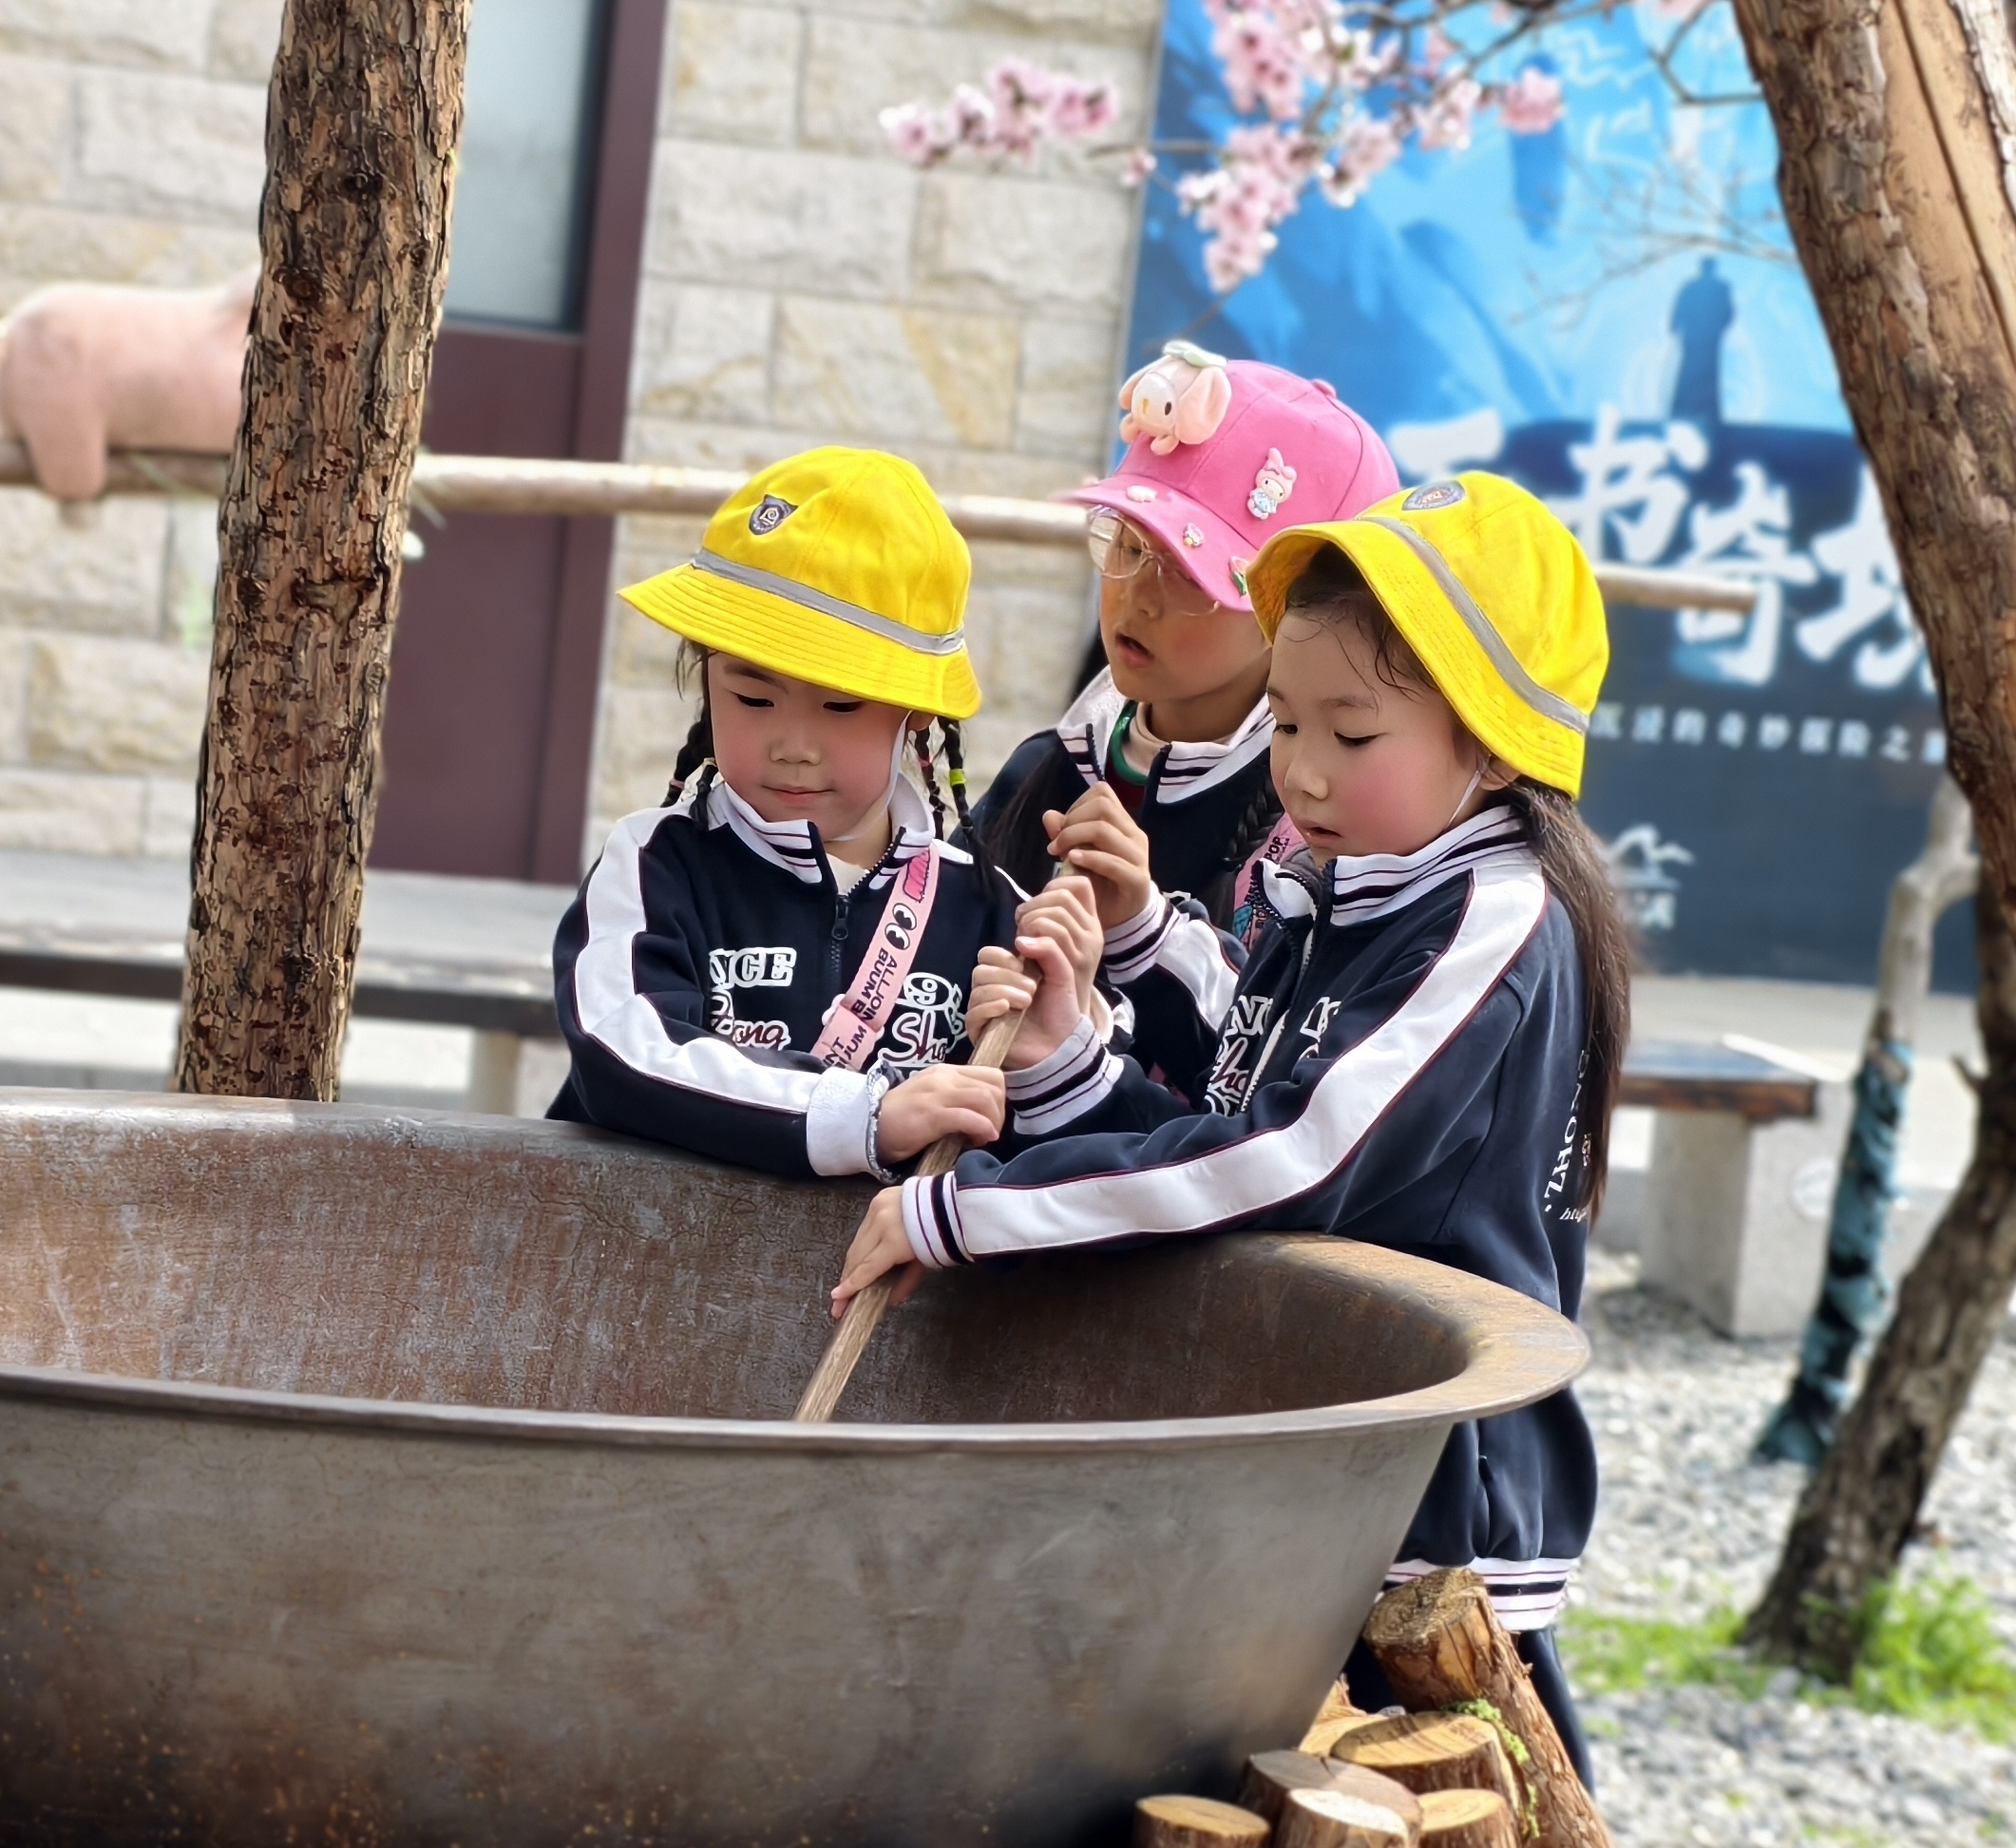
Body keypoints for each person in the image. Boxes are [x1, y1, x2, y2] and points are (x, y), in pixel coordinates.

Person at [833, 469, 1633, 1743]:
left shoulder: (1492, 918)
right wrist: (1064, 1063)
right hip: (1308, 1447)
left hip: (1421, 1497)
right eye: (1288, 723)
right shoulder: (1335, 893)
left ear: (1490, 743)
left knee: (1459, 1797)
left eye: (1351, 736)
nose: (1303, 774)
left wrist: (973, 1211)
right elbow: (1219, 1116)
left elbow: (1295, 1163)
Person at [552, 448, 1110, 1177]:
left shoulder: (991, 912)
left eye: (840, 706)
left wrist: (1064, 1041)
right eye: (753, 697)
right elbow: (623, 1050)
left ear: (917, 712)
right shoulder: (653, 865)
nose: (793, 746)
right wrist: (865, 1117)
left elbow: (1069, 1157)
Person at [970, 353, 1398, 1090]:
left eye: (1188, 573)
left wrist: (1143, 928)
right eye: (1129, 545)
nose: (1138, 596)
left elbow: (1279, 1071)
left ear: (1297, 613)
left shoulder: (1318, 830)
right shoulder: (1047, 766)